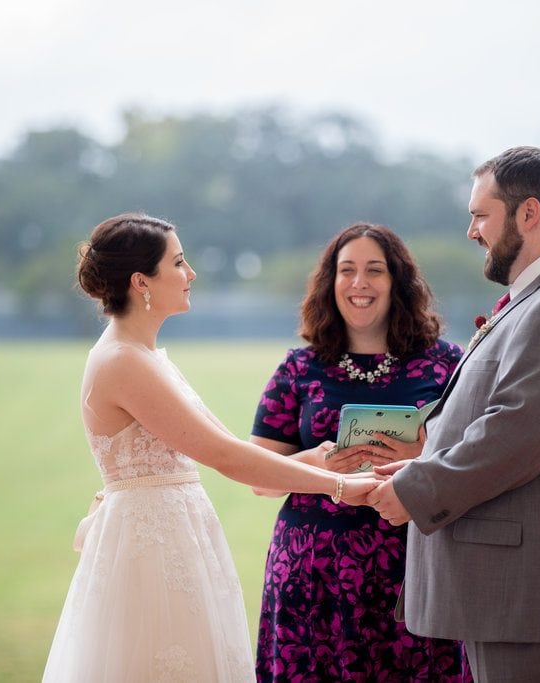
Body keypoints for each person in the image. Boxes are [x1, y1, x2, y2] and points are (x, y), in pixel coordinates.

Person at [42, 213, 377, 683]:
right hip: (149, 549)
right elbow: (225, 458)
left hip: (178, 538)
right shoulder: (123, 361)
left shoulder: (147, 357)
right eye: (178, 262)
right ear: (142, 281)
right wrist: (339, 485)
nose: (191, 273)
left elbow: (232, 451)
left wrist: (313, 461)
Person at [367, 146, 540, 682]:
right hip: (528, 598)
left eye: (480, 215)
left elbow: (516, 434)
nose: (472, 231)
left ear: (529, 213)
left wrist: (416, 489)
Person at [249, 223, 471, 682]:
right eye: (346, 270)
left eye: (375, 270)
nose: (359, 283)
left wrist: (425, 449)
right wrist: (315, 461)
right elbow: (260, 478)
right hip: (312, 572)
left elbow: (480, 456)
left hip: (413, 567)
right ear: (330, 284)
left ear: (398, 282)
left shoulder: (447, 362)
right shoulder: (298, 367)